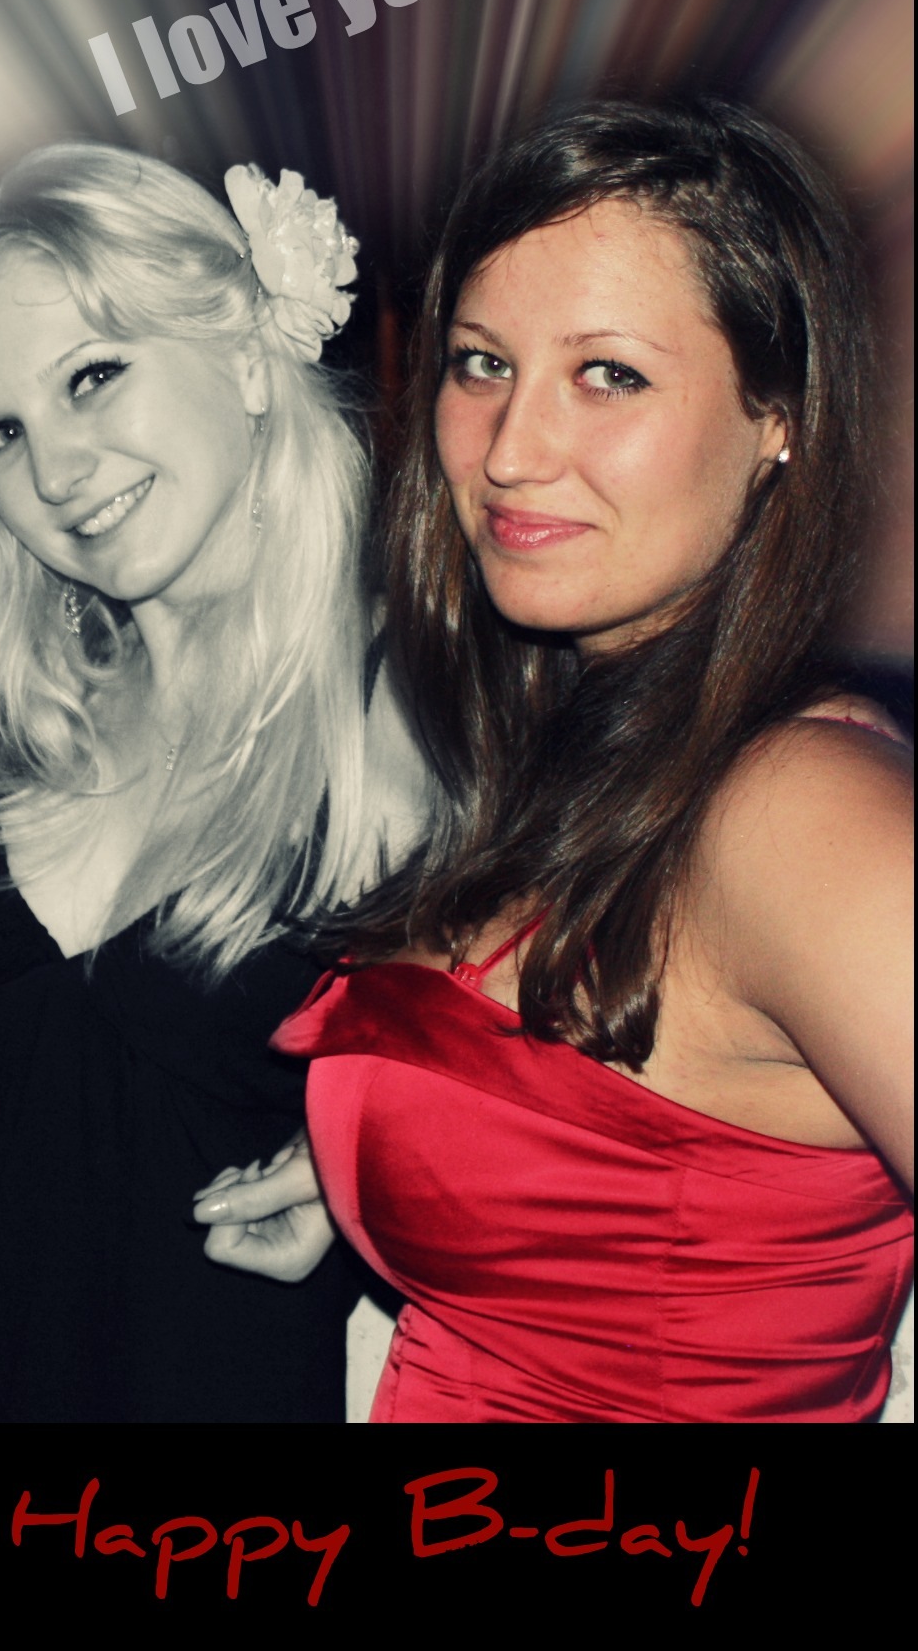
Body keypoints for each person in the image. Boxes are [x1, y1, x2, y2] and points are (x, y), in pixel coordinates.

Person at [196, 97, 913, 1424]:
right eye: (481, 364)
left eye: (609, 375)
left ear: (778, 416)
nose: (510, 453)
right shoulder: (579, 750)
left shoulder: (801, 817)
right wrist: (377, 1164)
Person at [0, 143, 426, 1422]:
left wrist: (384, 1163)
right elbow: (66, 1001)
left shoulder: (409, 714)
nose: (55, 473)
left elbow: (611, 1084)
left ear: (243, 353)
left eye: (92, 376)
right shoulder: (56, 716)